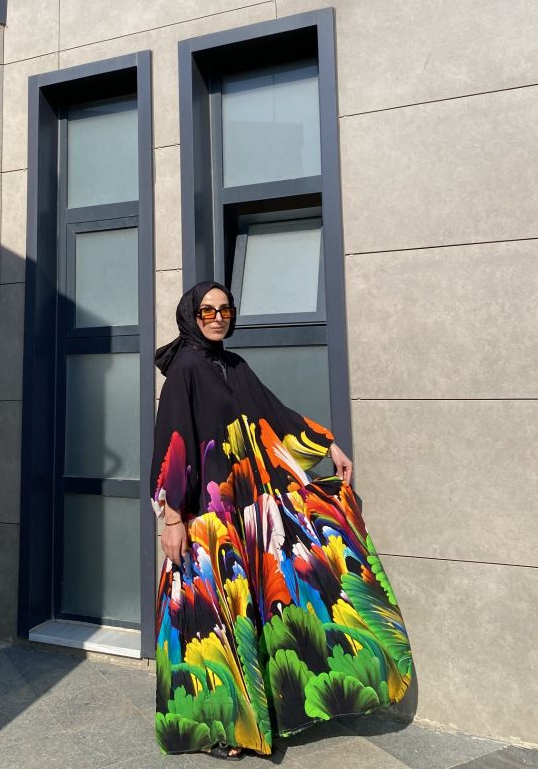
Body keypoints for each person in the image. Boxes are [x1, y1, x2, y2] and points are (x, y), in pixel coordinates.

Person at [151, 280, 412, 759]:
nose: (217, 318)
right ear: (191, 315)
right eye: (207, 310)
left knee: (244, 615)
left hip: (241, 516)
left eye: (225, 310)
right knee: (213, 624)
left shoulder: (233, 366)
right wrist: (171, 519)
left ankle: (256, 720)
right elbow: (173, 443)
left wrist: (328, 445)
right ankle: (219, 729)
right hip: (205, 520)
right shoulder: (186, 369)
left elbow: (274, 416)